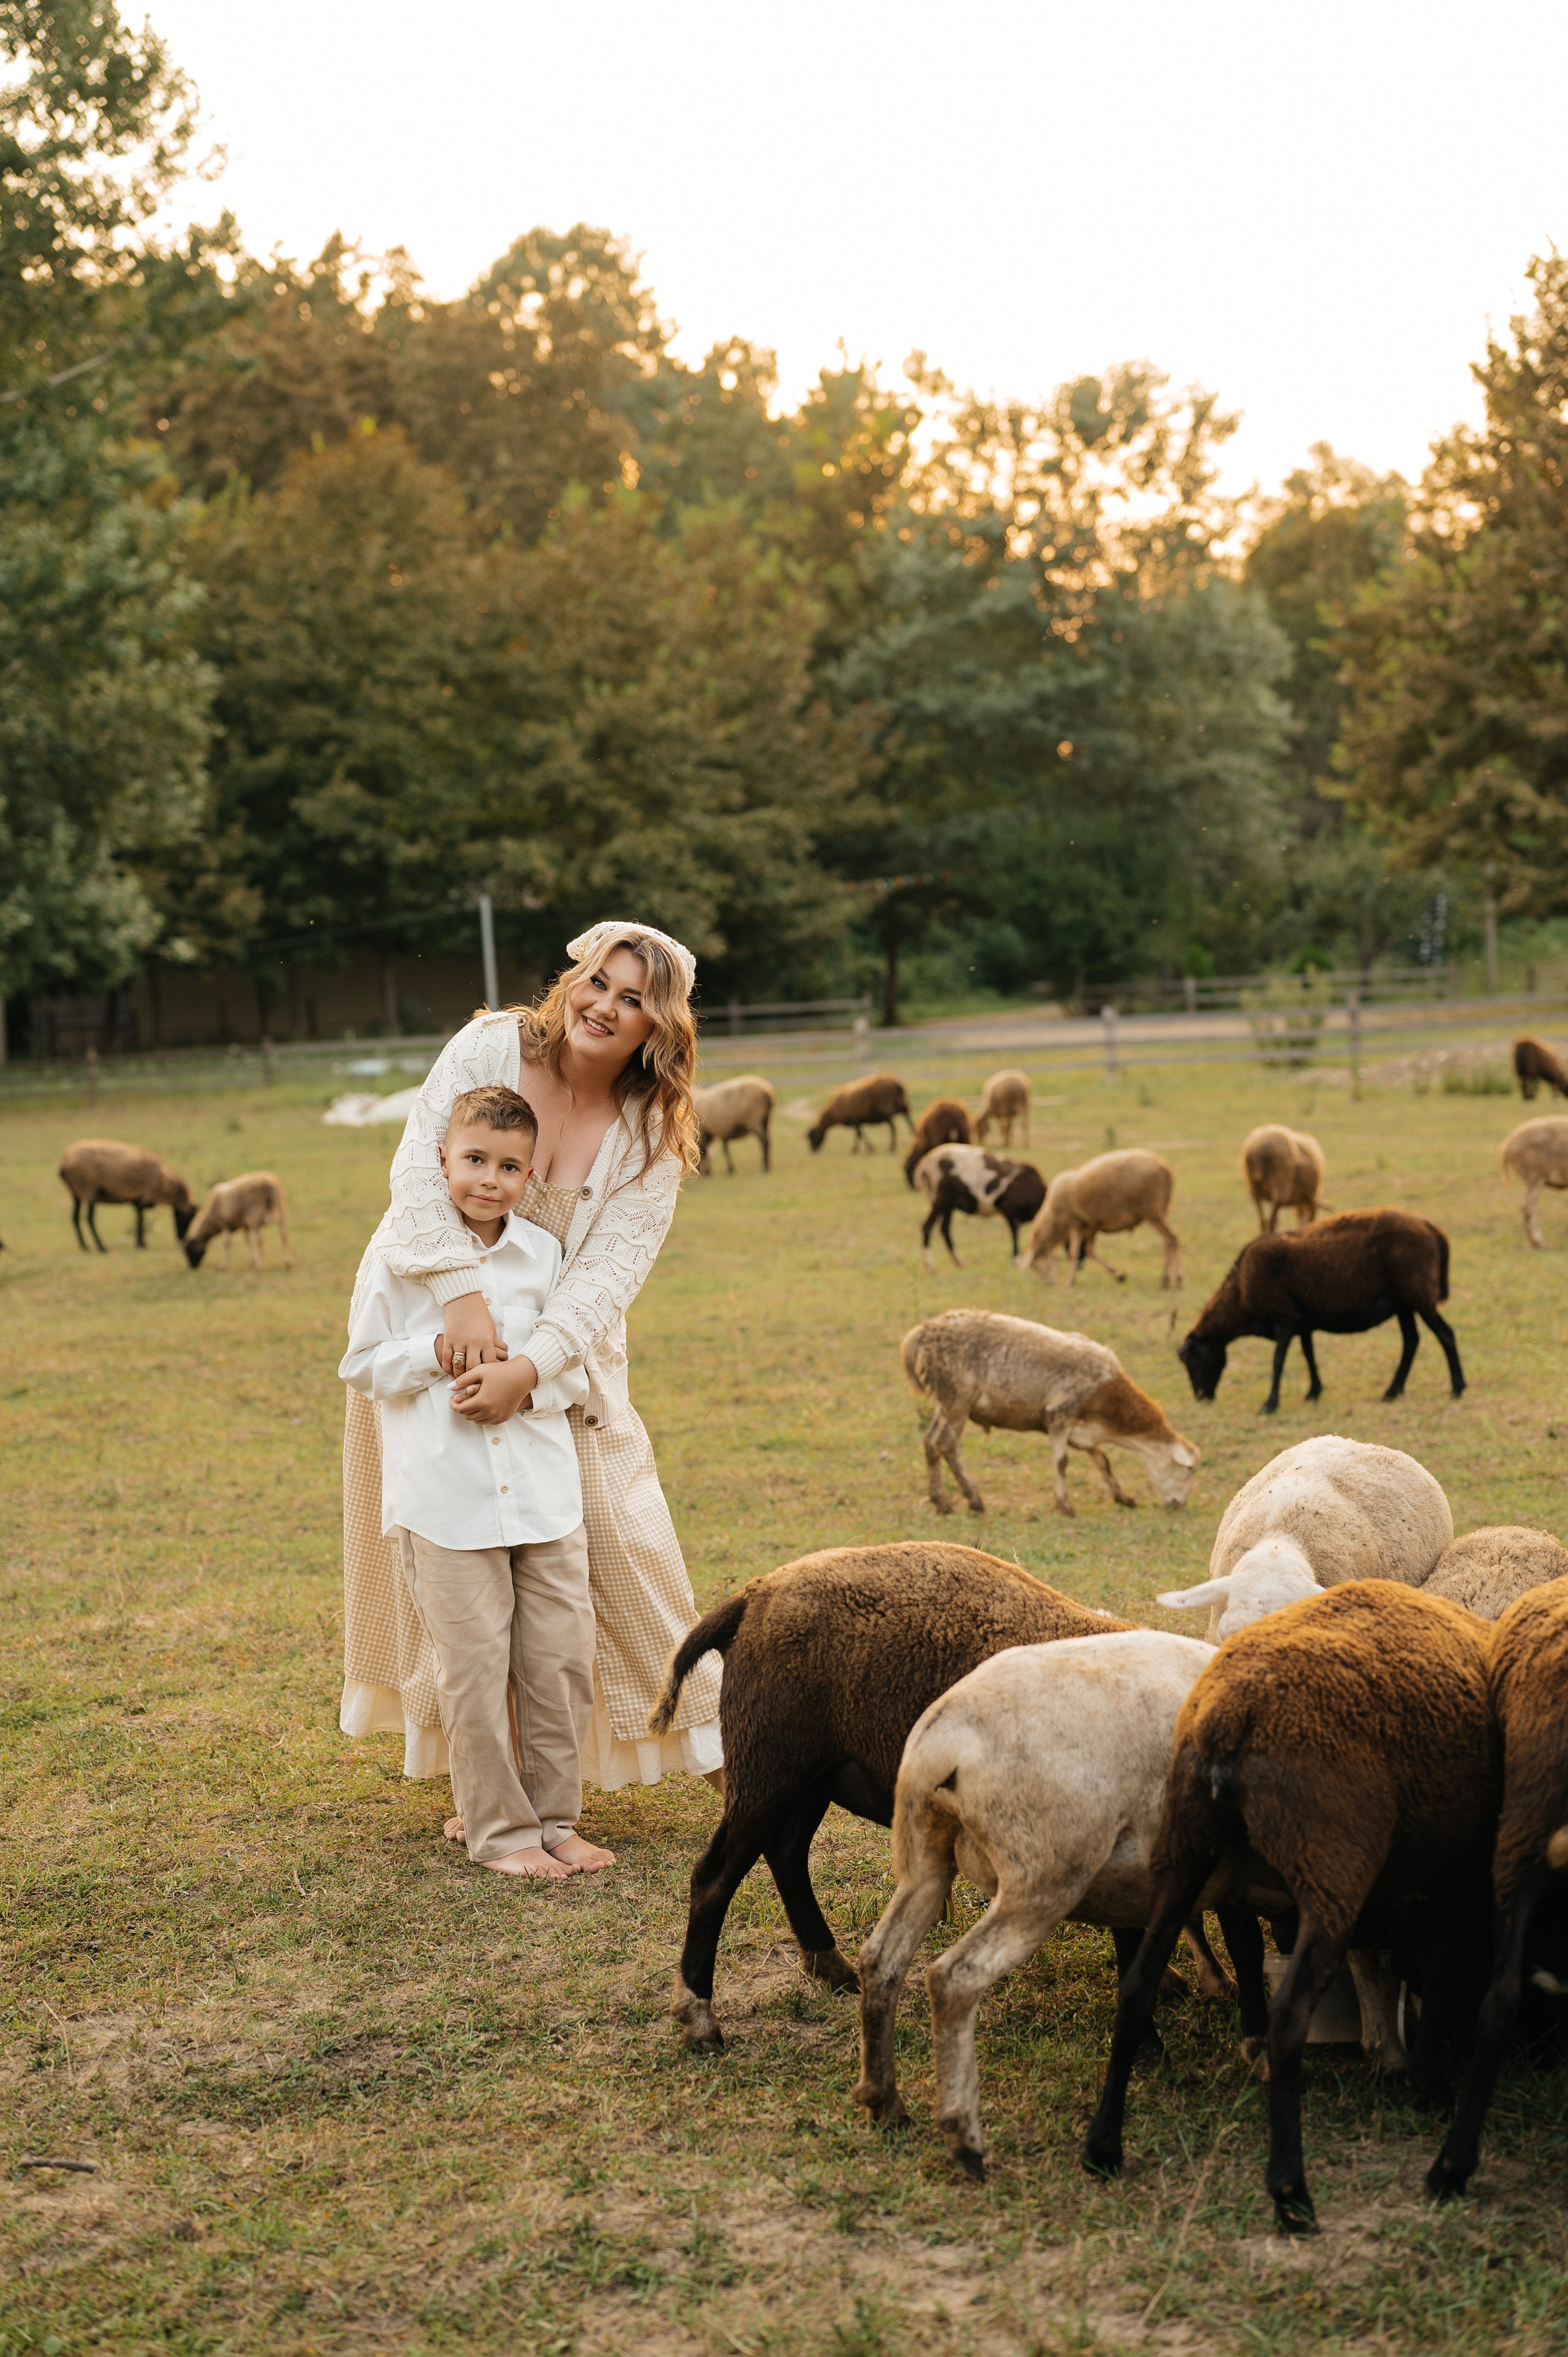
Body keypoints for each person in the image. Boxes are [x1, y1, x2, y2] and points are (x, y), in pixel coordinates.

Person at [339, 921, 723, 1797]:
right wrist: (460, 1297)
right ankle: (495, 1782)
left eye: (634, 1001)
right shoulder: (492, 1047)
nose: (605, 1006)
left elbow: (607, 1276)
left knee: (623, 1540)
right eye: (599, 982)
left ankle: (728, 1764)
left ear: (658, 1028)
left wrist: (530, 1367)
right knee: (459, 1555)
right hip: (432, 1322)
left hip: (559, 1356)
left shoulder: (651, 1133)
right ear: (574, 979)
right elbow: (415, 1172)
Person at [340, 1085, 612, 1879]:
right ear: (442, 1161)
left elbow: (576, 1373)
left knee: (559, 1665)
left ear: (530, 1175)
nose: (489, 1180)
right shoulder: (400, 1251)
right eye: (474, 1161)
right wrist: (436, 1354)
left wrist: (523, 1383)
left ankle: (554, 1819)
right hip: (446, 1502)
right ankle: (499, 1832)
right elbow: (361, 1364)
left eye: (508, 1167)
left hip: (543, 1496)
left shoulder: (543, 1257)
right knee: (474, 1675)